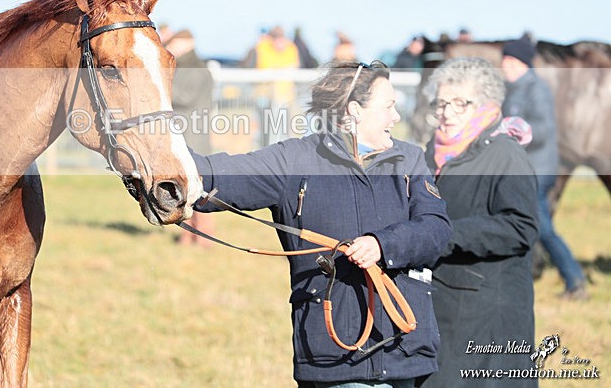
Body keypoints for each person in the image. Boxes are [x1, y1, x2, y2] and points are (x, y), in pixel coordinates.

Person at [191, 61, 452, 387]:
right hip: (335, 356)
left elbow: (436, 229)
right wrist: (153, 156)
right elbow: (216, 176)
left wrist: (383, 244)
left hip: (407, 352)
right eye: (388, 106)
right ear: (354, 110)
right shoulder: (294, 160)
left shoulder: (411, 159)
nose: (396, 117)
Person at [419, 57, 539, 388]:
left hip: (487, 310)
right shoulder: (434, 153)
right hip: (441, 303)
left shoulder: (505, 154)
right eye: (442, 103)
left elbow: (521, 227)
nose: (448, 112)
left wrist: (444, 236)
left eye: (461, 103)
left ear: (485, 105)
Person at [500, 36, 587, 300]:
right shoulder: (512, 88)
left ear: (520, 62)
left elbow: (545, 130)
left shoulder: (536, 88)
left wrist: (512, 130)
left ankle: (574, 280)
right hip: (520, 169)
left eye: (508, 60)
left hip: (537, 170)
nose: (504, 65)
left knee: (542, 227)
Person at [163, 29, 216, 246]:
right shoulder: (190, 65)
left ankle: (203, 236)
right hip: (188, 134)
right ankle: (188, 234)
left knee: (199, 189)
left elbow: (184, 96)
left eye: (175, 43)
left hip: (193, 136)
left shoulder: (195, 67)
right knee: (186, 189)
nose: (172, 47)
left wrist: (162, 89)